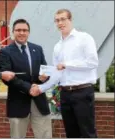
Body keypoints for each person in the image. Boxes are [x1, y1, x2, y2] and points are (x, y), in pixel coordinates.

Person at [30, 9, 98, 138]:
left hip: (82, 92)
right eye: (57, 20)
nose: (60, 23)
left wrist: (67, 64)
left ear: (70, 20)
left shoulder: (84, 38)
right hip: (65, 94)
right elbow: (57, 75)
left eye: (63, 19)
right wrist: (41, 88)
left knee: (87, 133)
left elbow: (92, 62)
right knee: (71, 133)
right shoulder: (57, 47)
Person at [0, 19, 52, 138]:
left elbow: (44, 70)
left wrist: (44, 78)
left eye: (24, 30)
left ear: (28, 32)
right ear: (13, 32)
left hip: (39, 101)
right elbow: (7, 78)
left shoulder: (37, 49)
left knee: (45, 135)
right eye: (18, 30)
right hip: (18, 103)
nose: (21, 33)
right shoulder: (5, 52)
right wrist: (29, 88)